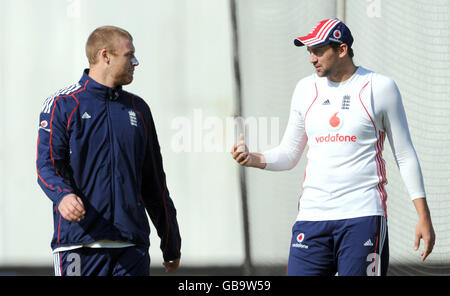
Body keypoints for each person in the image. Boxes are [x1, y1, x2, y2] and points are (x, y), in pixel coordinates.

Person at [231, 18, 435, 276]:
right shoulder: (305, 89)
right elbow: (289, 154)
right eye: (309, 51)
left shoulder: (380, 87)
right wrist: (252, 158)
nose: (311, 58)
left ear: (341, 50)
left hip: (362, 217)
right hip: (311, 219)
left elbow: (404, 155)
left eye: (318, 50)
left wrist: (423, 216)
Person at [36, 26, 181, 276]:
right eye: (129, 54)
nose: (136, 61)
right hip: (78, 245)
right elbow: (47, 165)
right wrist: (63, 196)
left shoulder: (139, 109)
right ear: (105, 55)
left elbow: (155, 183)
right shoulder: (63, 104)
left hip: (131, 248)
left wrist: (171, 243)